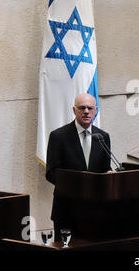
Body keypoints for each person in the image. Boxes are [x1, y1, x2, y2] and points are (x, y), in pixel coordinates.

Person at [45, 93, 111, 240]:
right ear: (74, 111)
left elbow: (105, 168)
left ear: (95, 111)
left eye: (90, 108)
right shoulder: (58, 136)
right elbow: (51, 173)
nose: (86, 111)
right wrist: (79, 182)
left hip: (96, 211)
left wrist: (110, 175)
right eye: (82, 108)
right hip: (67, 210)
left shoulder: (102, 137)